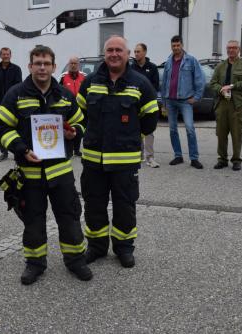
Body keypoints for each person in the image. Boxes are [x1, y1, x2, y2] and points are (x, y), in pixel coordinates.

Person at [0, 45, 92, 285]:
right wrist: (21, 149)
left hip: (61, 172)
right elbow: (2, 126)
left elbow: (80, 122)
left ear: (53, 67)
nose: (42, 67)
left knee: (69, 217)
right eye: (37, 63)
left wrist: (73, 133)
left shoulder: (65, 96)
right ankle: (35, 263)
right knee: (33, 220)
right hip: (30, 173)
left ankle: (75, 259)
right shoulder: (16, 94)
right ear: (30, 66)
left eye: (46, 63)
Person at [76, 36, 158, 268]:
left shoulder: (140, 84)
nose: (114, 54)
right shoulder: (90, 82)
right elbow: (79, 115)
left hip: (125, 161)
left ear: (128, 53)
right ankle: (97, 246)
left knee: (125, 206)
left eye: (118, 50)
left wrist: (128, 137)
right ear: (104, 54)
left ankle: (124, 248)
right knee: (93, 205)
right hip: (93, 161)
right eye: (110, 50)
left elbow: (149, 121)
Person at [161, 35, 205, 169]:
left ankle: (194, 158)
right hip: (170, 101)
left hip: (186, 101)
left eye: (178, 45)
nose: (176, 48)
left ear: (182, 45)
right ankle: (178, 156)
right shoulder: (168, 61)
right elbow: (164, 83)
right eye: (173, 46)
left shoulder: (191, 60)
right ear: (171, 46)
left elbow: (200, 79)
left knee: (190, 128)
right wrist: (164, 102)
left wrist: (196, 97)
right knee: (173, 129)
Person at [210, 40, 242, 171]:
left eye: (234, 48)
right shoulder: (220, 66)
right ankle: (222, 159)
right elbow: (212, 83)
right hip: (222, 103)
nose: (231, 50)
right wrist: (221, 89)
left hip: (237, 104)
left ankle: (236, 160)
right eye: (228, 48)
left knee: (237, 133)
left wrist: (232, 86)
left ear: (239, 49)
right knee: (221, 134)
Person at [131, 43, 160, 168]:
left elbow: (155, 86)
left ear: (145, 52)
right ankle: (138, 156)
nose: (136, 54)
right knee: (136, 129)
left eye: (138, 51)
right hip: (135, 104)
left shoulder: (152, 68)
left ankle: (150, 158)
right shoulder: (131, 67)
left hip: (148, 104)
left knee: (148, 130)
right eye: (135, 51)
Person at [0, 47, 22, 162]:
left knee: (17, 127)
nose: (5, 56)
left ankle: (17, 151)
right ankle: (4, 152)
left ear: (10, 55)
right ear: (0, 56)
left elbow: (18, 86)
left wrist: (15, 101)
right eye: (3, 54)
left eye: (7, 54)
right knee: (1, 128)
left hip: (14, 103)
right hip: (1, 105)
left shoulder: (16, 69)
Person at [60, 56, 86, 157]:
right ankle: (69, 150)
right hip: (67, 107)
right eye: (71, 63)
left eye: (75, 63)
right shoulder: (63, 77)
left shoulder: (84, 77)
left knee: (79, 129)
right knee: (68, 128)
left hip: (80, 106)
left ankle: (77, 149)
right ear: (68, 65)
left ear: (78, 65)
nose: (73, 65)